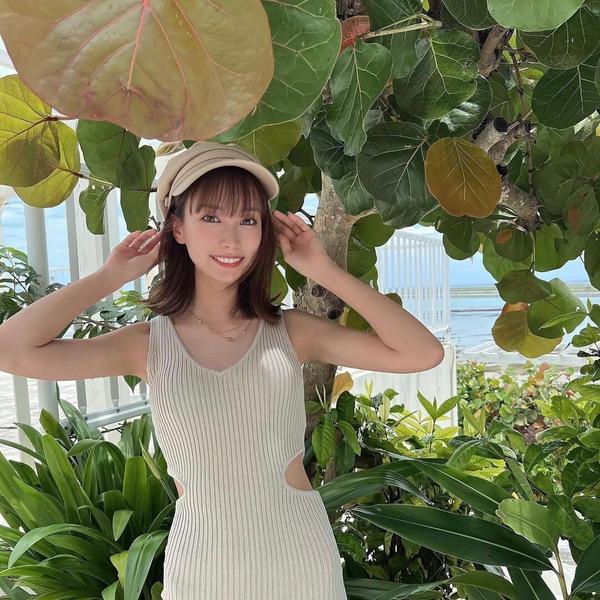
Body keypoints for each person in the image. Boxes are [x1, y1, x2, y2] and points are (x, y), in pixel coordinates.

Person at [0, 141, 445, 598]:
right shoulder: (147, 344)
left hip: (299, 561)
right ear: (177, 227)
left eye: (247, 220)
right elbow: (10, 350)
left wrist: (324, 270)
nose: (231, 239)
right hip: (201, 568)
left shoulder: (291, 332)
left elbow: (422, 353)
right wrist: (109, 277)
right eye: (211, 217)